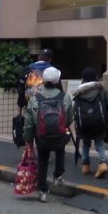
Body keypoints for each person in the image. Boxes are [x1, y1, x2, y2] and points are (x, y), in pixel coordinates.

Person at [21, 66, 73, 201]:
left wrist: (28, 138)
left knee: (43, 161)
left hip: (42, 136)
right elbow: (69, 118)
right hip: (59, 134)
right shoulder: (65, 97)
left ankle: (43, 191)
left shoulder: (35, 99)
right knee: (60, 151)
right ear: (57, 81)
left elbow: (29, 122)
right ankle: (58, 176)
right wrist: (63, 125)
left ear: (43, 81)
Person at [73, 67, 108, 178]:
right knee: (99, 143)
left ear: (83, 78)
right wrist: (104, 109)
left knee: (85, 143)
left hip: (84, 123)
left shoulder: (79, 92)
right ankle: (102, 164)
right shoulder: (100, 89)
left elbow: (75, 109)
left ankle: (85, 166)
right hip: (99, 121)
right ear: (95, 77)